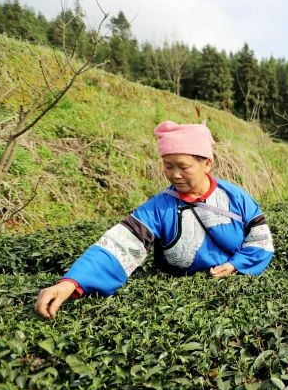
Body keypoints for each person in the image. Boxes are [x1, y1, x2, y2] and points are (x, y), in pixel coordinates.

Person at [35, 120, 275, 319]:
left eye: (184, 166)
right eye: (168, 166)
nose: (175, 175)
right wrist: (70, 283)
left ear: (207, 164)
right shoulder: (158, 207)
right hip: (180, 300)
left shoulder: (235, 198)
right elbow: (120, 245)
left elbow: (260, 238)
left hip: (234, 287)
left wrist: (235, 265)